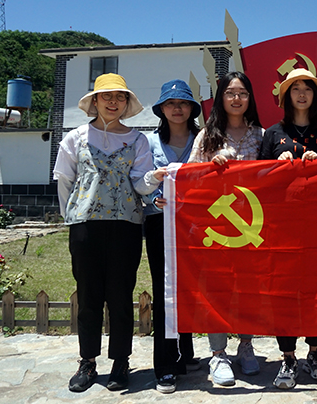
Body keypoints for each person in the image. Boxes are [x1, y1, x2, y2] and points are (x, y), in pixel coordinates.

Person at [53, 73, 165, 393]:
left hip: (125, 226)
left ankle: (120, 362)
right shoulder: (75, 137)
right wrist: (73, 215)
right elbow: (64, 180)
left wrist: (154, 178)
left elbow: (140, 183)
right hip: (85, 227)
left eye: (120, 97)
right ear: (95, 101)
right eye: (107, 96)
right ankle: (87, 361)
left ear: (127, 103)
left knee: (120, 296)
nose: (113, 102)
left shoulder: (137, 140)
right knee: (88, 295)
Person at [259, 68, 317, 390]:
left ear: (315, 96)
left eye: (307, 88)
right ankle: (288, 357)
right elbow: (257, 179)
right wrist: (275, 167)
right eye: (295, 88)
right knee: (284, 292)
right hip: (282, 227)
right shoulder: (273, 134)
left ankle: (315, 353)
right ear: (286, 96)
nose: (302, 93)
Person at [188, 71, 264, 387]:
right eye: (230, 93)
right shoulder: (207, 136)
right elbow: (190, 178)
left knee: (248, 289)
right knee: (216, 290)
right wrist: (211, 167)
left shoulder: (261, 134)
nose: (236, 98)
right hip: (216, 227)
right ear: (221, 98)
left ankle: (246, 344)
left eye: (242, 93)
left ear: (250, 98)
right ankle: (218, 353)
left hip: (253, 227)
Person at [143, 79, 202, 394]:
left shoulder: (204, 139)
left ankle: (185, 353)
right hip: (160, 223)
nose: (177, 108)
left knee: (190, 288)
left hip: (197, 225)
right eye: (170, 103)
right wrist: (154, 199)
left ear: (192, 108)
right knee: (164, 290)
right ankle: (165, 365)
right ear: (161, 109)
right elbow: (139, 182)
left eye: (183, 103)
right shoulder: (148, 142)